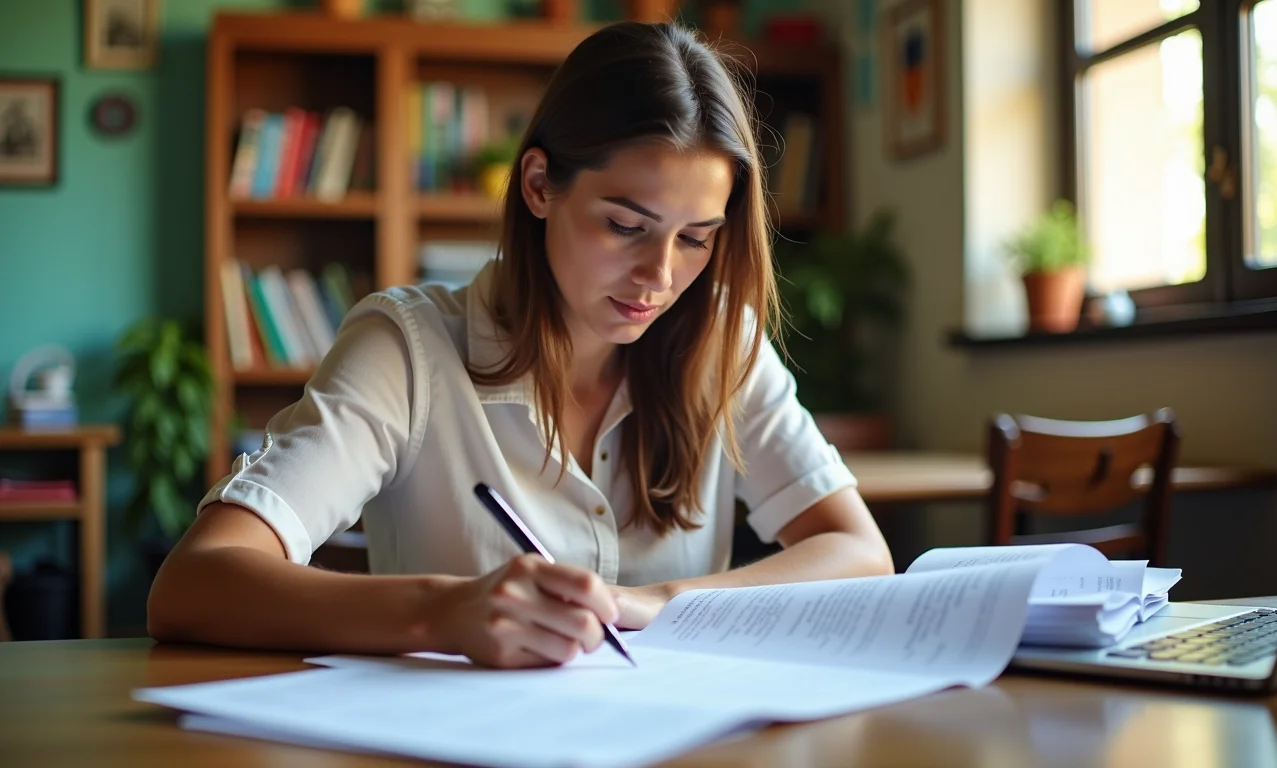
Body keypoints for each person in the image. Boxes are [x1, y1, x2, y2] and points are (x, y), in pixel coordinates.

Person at [148, 21, 894, 669]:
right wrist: (443, 614)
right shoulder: (407, 349)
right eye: (626, 226)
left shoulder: (720, 339)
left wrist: (654, 603)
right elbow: (196, 581)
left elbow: (861, 554)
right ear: (538, 184)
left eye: (696, 239)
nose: (659, 277)